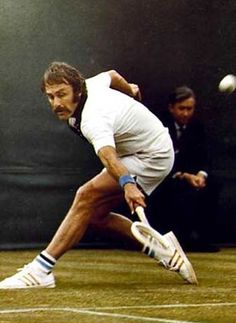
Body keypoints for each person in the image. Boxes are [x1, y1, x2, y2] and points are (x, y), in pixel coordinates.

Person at [0, 63, 197, 289]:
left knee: (86, 195)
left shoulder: (94, 117)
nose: (56, 103)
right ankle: (163, 250)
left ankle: (40, 270)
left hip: (152, 156)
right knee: (93, 216)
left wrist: (128, 184)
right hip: (137, 151)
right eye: (51, 96)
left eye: (62, 94)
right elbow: (112, 76)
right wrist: (130, 90)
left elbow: (108, 156)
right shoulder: (91, 84)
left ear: (78, 91)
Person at [150, 86, 220, 252]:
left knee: (213, 186)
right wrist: (183, 176)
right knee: (175, 190)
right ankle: (176, 241)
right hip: (164, 178)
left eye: (190, 109)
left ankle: (202, 240)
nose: (186, 113)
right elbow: (156, 158)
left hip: (191, 178)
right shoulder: (159, 126)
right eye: (182, 108)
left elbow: (205, 157)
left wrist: (201, 175)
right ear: (171, 108)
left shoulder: (197, 127)